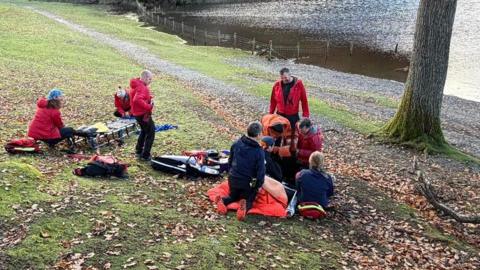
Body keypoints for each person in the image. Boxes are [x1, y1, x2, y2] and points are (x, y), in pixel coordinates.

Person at [215, 121, 265, 221]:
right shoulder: (259, 151)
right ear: (259, 135)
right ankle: (244, 205)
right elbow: (260, 172)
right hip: (248, 183)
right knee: (250, 198)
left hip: (233, 179)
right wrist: (258, 185)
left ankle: (223, 201)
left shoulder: (236, 143)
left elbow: (230, 161)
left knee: (232, 196)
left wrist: (231, 173)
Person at [130, 70, 155, 161]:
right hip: (143, 114)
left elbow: (137, 97)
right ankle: (145, 155)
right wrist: (148, 106)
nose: (150, 81)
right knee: (151, 133)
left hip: (137, 113)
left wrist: (149, 98)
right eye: (149, 79)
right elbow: (137, 99)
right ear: (144, 78)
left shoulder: (137, 85)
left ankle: (138, 150)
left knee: (144, 131)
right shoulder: (142, 87)